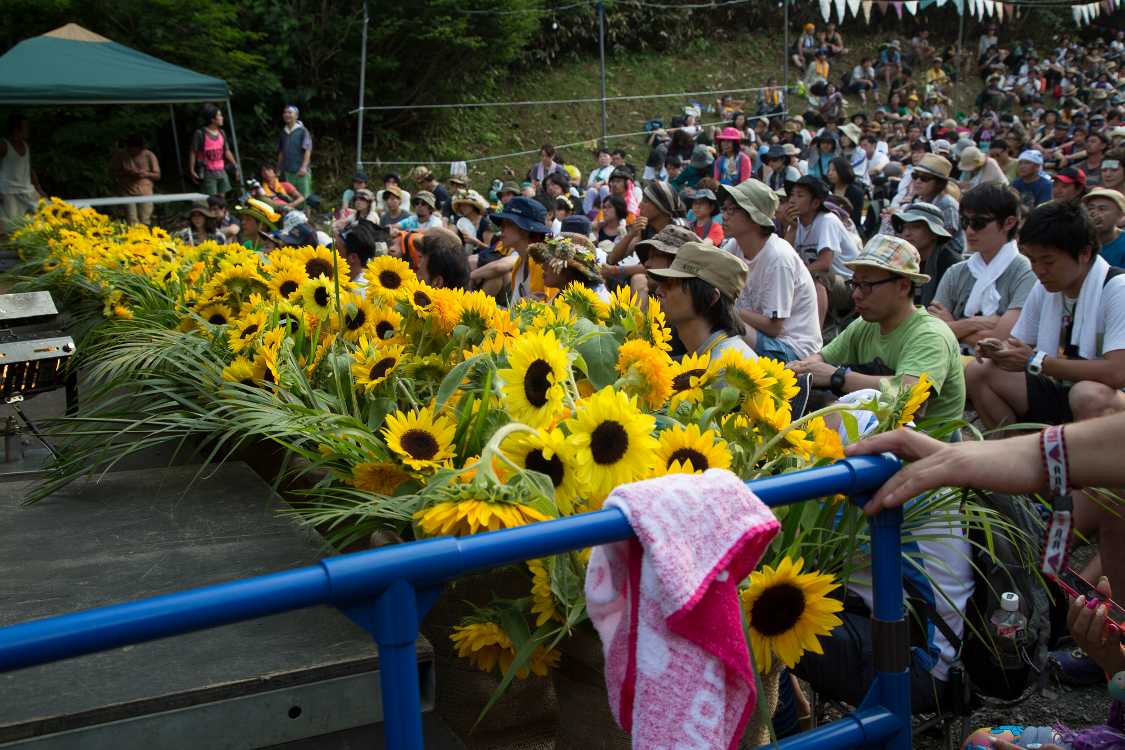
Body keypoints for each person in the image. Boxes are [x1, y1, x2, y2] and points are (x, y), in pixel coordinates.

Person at [965, 200, 1125, 429]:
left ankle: (1091, 453)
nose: (1038, 270)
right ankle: (1012, 447)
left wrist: (1036, 361)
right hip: (1061, 387)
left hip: (1110, 400)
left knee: (1088, 394)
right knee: (980, 371)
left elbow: (1118, 372)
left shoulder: (1118, 288)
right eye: (1032, 260)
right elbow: (1019, 345)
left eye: (1048, 261)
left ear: (1084, 253)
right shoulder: (1044, 288)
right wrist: (1000, 351)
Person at [791, 234, 966, 426]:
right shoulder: (866, 324)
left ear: (903, 286)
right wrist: (801, 368)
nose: (856, 295)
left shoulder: (930, 335)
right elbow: (823, 358)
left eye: (866, 285)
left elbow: (909, 393)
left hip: (921, 439)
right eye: (854, 284)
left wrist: (837, 376)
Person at [720, 180, 822, 362]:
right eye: (724, 209)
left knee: (722, 322)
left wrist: (728, 309)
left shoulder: (778, 258)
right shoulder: (734, 246)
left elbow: (774, 328)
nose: (724, 216)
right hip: (759, 335)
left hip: (792, 349)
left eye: (732, 210)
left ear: (755, 217)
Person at [928, 184, 1035, 350]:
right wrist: (974, 323)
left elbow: (1004, 340)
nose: (969, 231)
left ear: (1009, 223)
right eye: (965, 222)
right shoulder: (956, 271)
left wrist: (951, 326)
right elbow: (931, 332)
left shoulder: (1026, 272)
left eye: (979, 223)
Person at [648, 241, 756, 360]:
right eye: (663, 282)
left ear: (712, 298)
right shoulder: (702, 354)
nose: (658, 291)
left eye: (672, 284)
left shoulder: (727, 366)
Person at [785, 175, 860, 326]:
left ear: (815, 203)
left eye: (799, 195)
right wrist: (792, 228)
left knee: (817, 275)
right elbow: (784, 259)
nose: (792, 200)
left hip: (851, 285)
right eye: (792, 195)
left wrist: (794, 275)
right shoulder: (796, 224)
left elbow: (824, 264)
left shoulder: (827, 220)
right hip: (827, 285)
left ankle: (815, 332)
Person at [604, 182, 686, 299]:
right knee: (603, 274)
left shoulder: (679, 228)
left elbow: (663, 267)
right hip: (654, 275)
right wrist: (631, 234)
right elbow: (612, 259)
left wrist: (617, 270)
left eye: (645, 201)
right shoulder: (647, 226)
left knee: (639, 279)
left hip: (677, 280)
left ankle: (638, 312)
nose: (639, 205)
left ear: (660, 206)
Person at [485, 196, 550, 306]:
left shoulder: (542, 265)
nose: (501, 229)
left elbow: (549, 311)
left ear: (525, 230)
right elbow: (514, 310)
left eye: (507, 224)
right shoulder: (519, 263)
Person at [891, 203, 959, 308]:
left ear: (934, 233)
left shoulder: (950, 265)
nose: (907, 233)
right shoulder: (899, 260)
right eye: (904, 227)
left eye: (916, 227)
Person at [530, 233, 610, 302]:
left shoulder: (596, 301)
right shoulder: (563, 295)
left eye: (550, 260)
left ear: (568, 268)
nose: (543, 266)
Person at [0, 114, 45, 224]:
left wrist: (39, 188)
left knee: (44, 215)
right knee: (12, 225)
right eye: (26, 127)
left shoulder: (25, 145)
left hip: (27, 190)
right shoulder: (3, 145)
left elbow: (29, 168)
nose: (28, 130)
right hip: (8, 192)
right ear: (16, 129)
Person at [189, 103, 240, 196]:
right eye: (219, 115)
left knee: (222, 199)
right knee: (211, 199)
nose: (222, 118)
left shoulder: (221, 132)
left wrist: (235, 165)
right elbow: (193, 152)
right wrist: (192, 170)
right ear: (212, 119)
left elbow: (226, 151)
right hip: (208, 172)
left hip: (221, 170)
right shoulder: (200, 133)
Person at [109, 134, 160, 226]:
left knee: (145, 219)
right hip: (127, 191)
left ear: (141, 148)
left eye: (135, 149)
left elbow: (157, 175)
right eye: (130, 149)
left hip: (145, 192)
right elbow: (112, 172)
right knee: (131, 219)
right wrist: (127, 173)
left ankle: (145, 234)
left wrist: (145, 174)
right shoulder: (121, 155)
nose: (132, 151)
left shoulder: (149, 155)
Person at [276, 105, 312, 197]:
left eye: (290, 112)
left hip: (300, 171)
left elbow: (308, 149)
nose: (286, 114)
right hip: (287, 171)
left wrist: (304, 167)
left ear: (296, 116)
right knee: (291, 197)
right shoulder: (283, 132)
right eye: (285, 112)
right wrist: (278, 169)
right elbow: (281, 152)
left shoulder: (303, 131)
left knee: (304, 196)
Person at [1083, 188, 1125, 266]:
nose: (1093, 213)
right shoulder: (1077, 239)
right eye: (1090, 208)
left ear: (1120, 215)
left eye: (1102, 209)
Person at [826, 156, 864, 232]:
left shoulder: (855, 192)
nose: (830, 173)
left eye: (834, 170)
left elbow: (856, 219)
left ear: (842, 171)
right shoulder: (827, 190)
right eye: (829, 170)